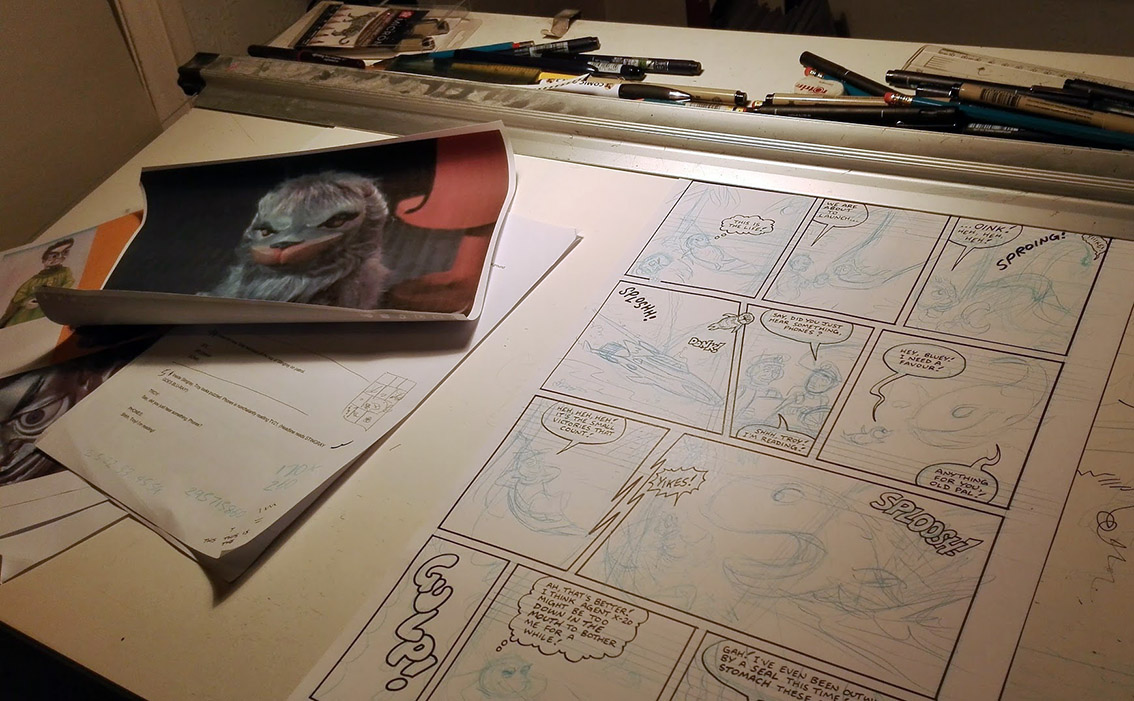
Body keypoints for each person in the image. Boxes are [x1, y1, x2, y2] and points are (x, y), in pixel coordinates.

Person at [1, 238, 76, 327]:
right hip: (27, 314)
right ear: (44, 260)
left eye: (64, 253)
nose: (59, 258)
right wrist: (26, 302)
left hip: (52, 310)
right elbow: (19, 296)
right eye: (54, 256)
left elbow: (69, 283)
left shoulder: (65, 272)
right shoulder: (34, 280)